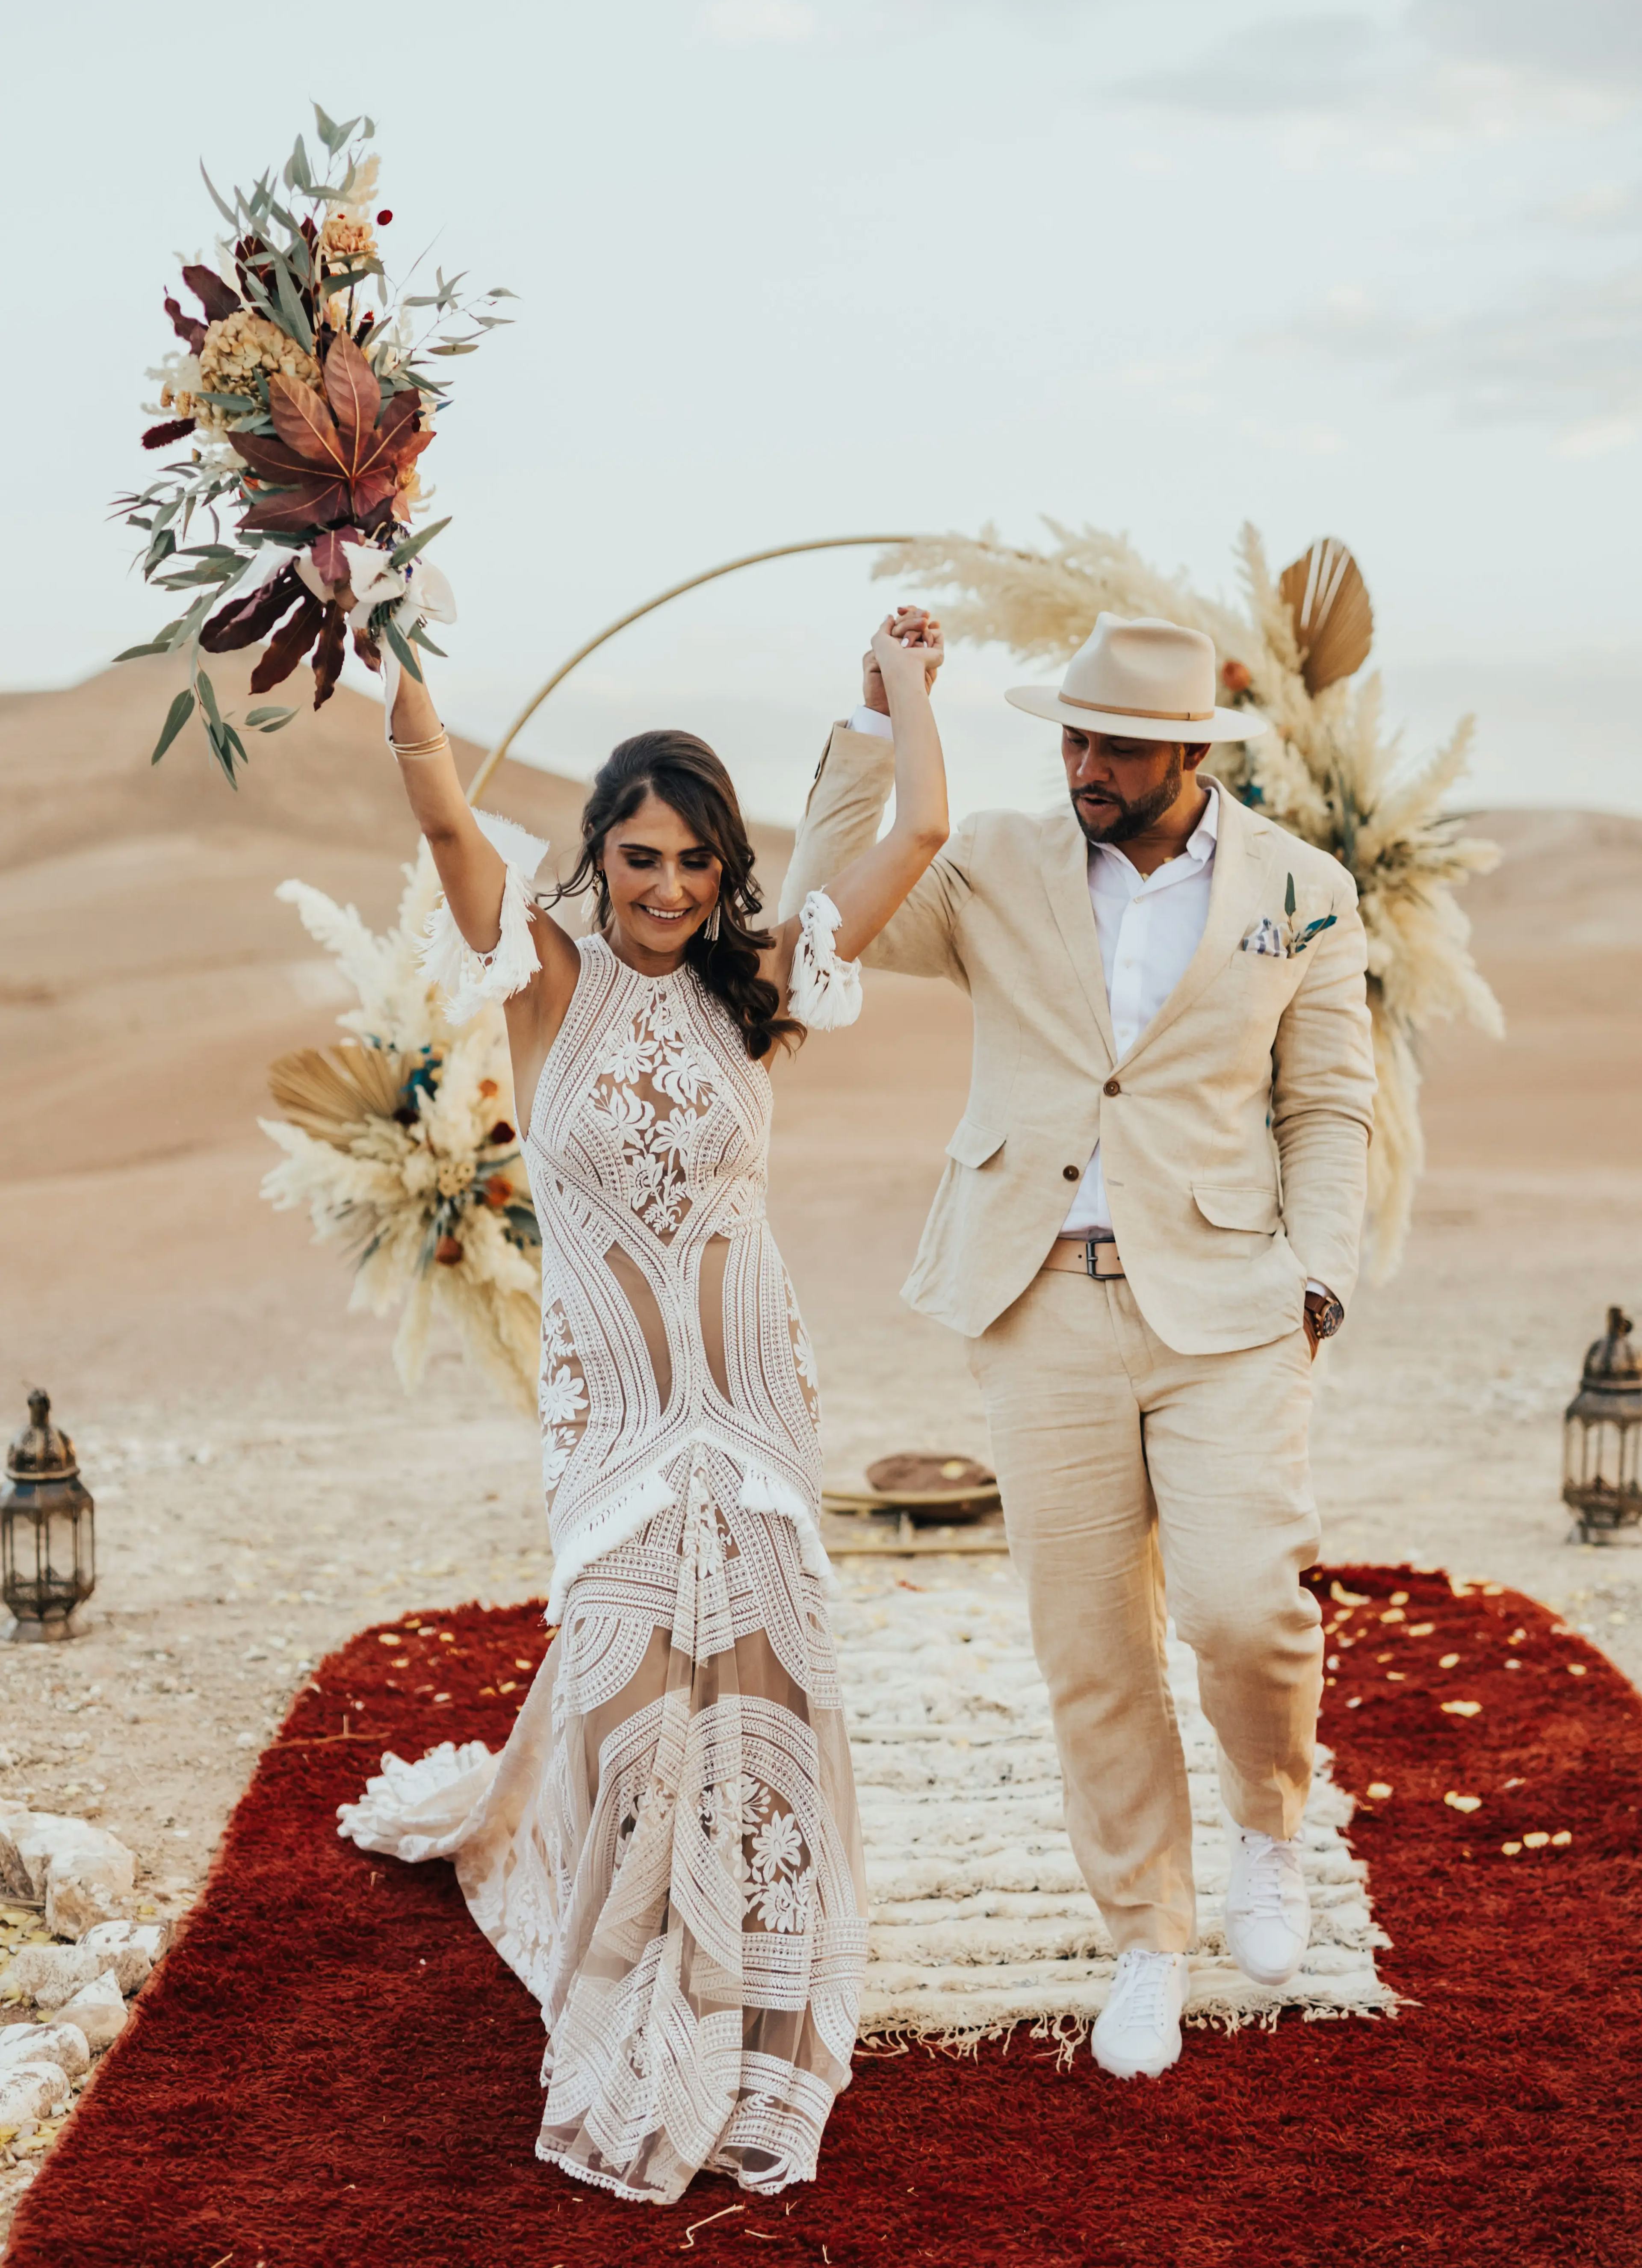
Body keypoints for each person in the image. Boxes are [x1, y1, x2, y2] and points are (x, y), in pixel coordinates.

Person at [337, 614, 948, 2203]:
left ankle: (752, 2012)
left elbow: (924, 827)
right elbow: (438, 801)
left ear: (721, 867)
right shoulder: (545, 979)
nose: (667, 886)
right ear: (596, 860)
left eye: (692, 860)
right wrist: (366, 591)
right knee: (627, 1696)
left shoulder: (760, 986)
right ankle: (631, 1996)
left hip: (754, 1399)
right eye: (638, 857)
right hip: (608, 1411)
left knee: (764, 1682)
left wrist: (901, 698)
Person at [781, 608, 1375, 2081]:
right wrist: (872, 726)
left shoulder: (1301, 890)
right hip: (1034, 1294)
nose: (1081, 761)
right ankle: (1148, 1940)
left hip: (1234, 1302)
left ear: (1185, 752)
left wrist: (1321, 1280)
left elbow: (1328, 1105)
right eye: (1071, 733)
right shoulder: (992, 856)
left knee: (1248, 1606)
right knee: (1089, 1644)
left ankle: (1270, 1831)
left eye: (1112, 742)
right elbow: (815, 921)